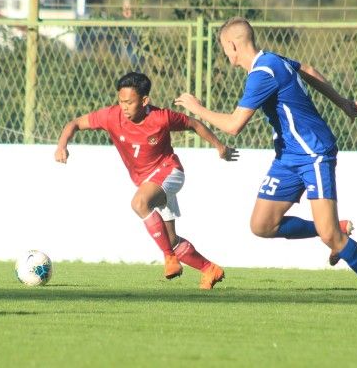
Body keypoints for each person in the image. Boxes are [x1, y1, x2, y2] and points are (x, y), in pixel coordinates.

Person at [174, 17, 357, 301]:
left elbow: (233, 125)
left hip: (313, 152)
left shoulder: (262, 74)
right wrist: (342, 102)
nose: (225, 54)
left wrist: (197, 108)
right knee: (262, 225)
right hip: (288, 156)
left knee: (332, 238)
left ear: (231, 44)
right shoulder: (272, 60)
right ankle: (330, 227)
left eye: (224, 48)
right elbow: (309, 70)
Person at [55, 71, 238, 290]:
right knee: (170, 239)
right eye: (121, 101)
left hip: (170, 172)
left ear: (144, 100)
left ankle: (170, 259)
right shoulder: (111, 116)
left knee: (139, 203)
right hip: (148, 183)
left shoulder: (161, 118)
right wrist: (62, 145)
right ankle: (210, 269)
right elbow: (74, 123)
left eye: (129, 102)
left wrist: (220, 147)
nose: (124, 107)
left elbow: (194, 124)